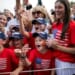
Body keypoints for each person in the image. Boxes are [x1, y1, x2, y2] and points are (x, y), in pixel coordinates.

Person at [46, 0, 75, 75]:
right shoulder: (55, 25)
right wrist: (49, 36)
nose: (57, 10)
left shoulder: (72, 26)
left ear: (66, 9)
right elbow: (54, 41)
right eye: (55, 7)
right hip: (56, 61)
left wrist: (57, 47)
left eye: (60, 7)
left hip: (67, 64)